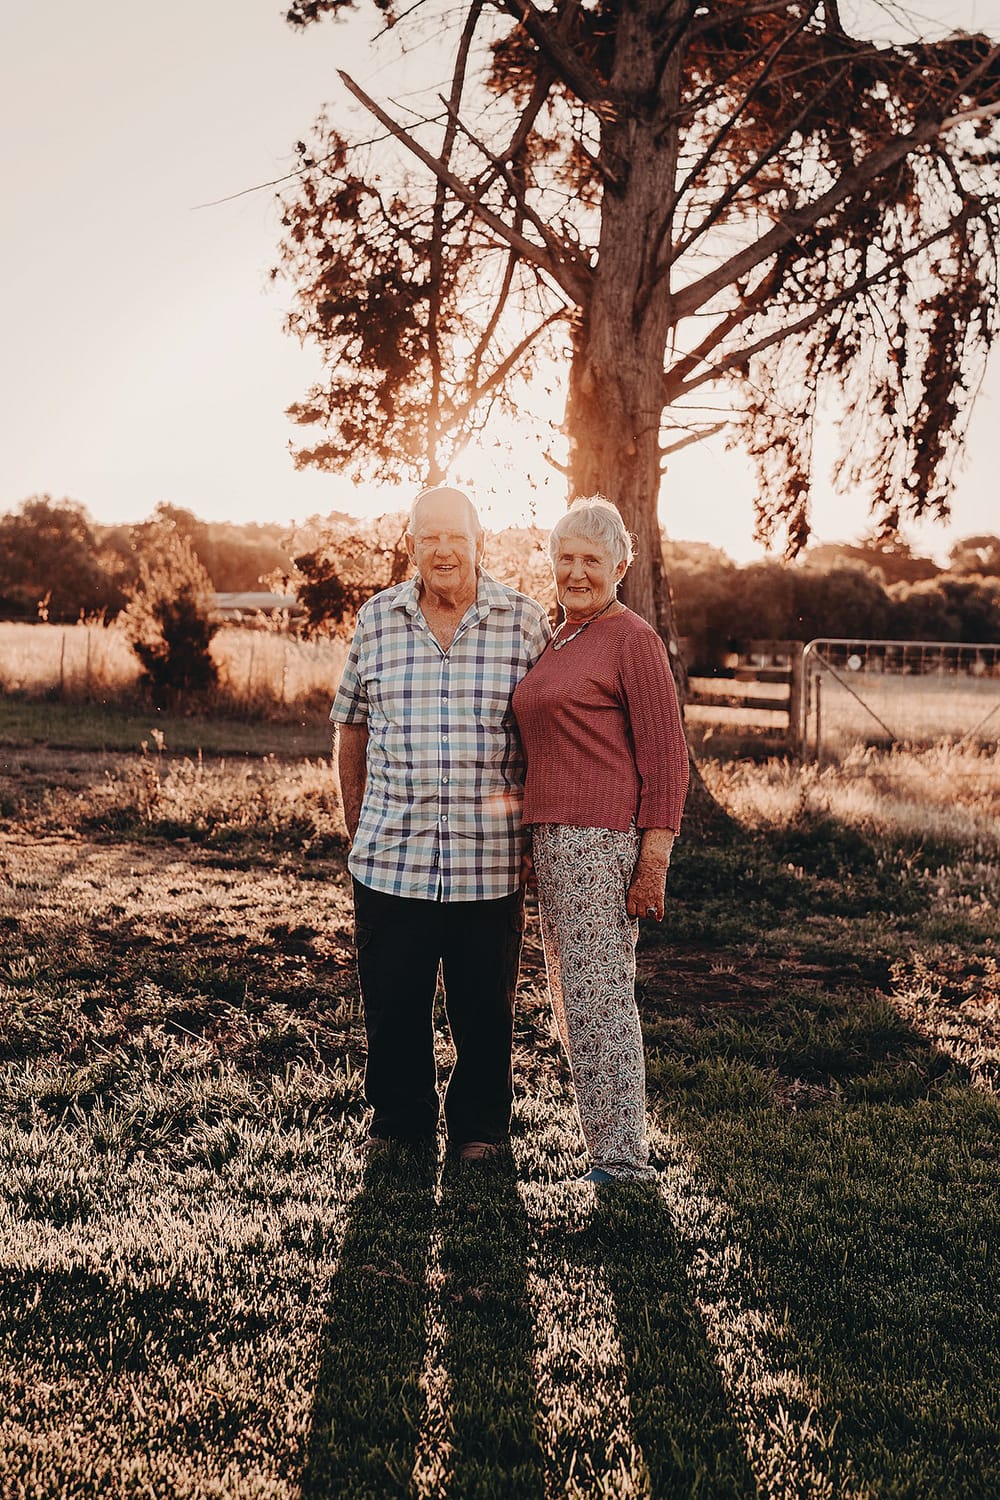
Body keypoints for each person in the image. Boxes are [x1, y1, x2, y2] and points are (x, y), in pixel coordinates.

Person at [331, 485, 550, 1162]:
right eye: (428, 537)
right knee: (394, 1006)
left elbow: (551, 734)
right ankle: (399, 1127)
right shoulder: (377, 619)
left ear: (479, 541)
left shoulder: (524, 621)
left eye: (455, 536)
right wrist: (359, 824)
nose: (442, 550)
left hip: (490, 860)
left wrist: (541, 837)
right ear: (413, 545)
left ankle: (481, 1132)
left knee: (485, 1012)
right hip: (391, 854)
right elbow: (352, 728)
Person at [512, 496, 689, 1183]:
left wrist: (654, 864)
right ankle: (607, 1147)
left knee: (601, 996)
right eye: (566, 558)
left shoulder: (631, 638)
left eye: (591, 559)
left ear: (620, 564)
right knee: (570, 997)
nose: (576, 571)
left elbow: (666, 759)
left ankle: (622, 1161)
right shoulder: (558, 638)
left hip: (603, 845)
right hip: (555, 841)